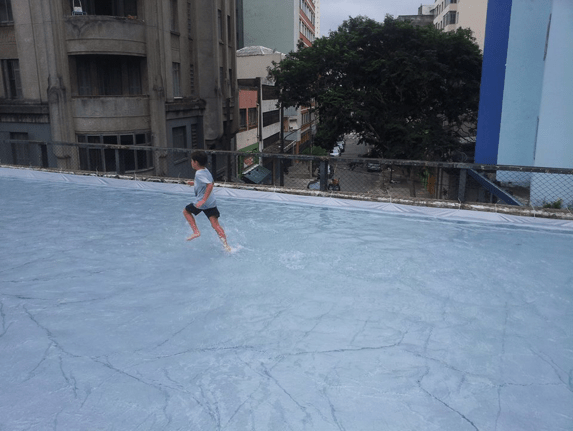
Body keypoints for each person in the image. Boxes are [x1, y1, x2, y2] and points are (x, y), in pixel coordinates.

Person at [183, 151, 230, 251]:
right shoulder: (205, 170)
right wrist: (194, 183)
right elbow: (209, 181)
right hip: (211, 202)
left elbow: (210, 185)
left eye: (192, 160)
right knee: (215, 225)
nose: (191, 162)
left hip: (202, 202)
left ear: (195, 162)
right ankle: (226, 245)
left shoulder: (199, 173)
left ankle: (196, 231)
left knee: (186, 211)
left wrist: (203, 200)